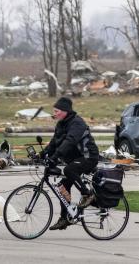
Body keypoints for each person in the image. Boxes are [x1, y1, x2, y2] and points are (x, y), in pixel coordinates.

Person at [41, 97, 100, 231]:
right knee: (62, 186)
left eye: (56, 111)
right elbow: (54, 143)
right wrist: (43, 155)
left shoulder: (77, 123)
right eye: (54, 111)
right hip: (76, 160)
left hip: (88, 157)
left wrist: (55, 158)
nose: (54, 113)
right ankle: (65, 218)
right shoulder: (61, 124)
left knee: (69, 170)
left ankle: (88, 194)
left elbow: (70, 141)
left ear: (65, 111)